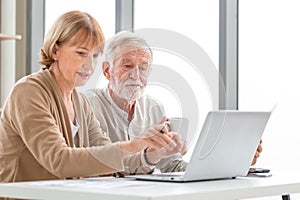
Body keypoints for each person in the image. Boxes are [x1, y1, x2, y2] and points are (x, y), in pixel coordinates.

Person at [0, 11, 185, 183]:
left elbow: (107, 161)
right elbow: (60, 161)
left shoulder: (79, 101)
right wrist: (136, 143)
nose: (90, 65)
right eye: (81, 53)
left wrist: (154, 152)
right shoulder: (28, 92)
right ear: (55, 51)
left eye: (95, 55)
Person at [86, 31, 263, 172]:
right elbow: (102, 163)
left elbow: (172, 165)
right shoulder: (90, 104)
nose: (136, 75)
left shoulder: (153, 107)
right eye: (127, 65)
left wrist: (233, 164)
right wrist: (147, 154)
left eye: (143, 67)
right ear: (107, 71)